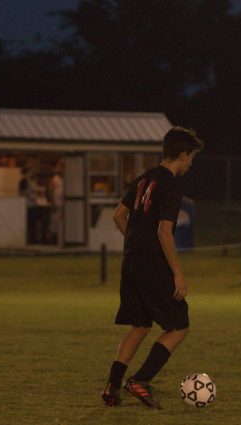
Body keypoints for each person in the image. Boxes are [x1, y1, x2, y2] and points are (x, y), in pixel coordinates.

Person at [101, 127, 203, 409]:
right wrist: (178, 274)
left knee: (141, 325)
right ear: (182, 155)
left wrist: (136, 243)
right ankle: (140, 380)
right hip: (151, 264)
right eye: (190, 158)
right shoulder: (171, 184)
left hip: (131, 261)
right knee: (179, 324)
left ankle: (112, 386)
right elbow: (164, 232)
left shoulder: (144, 178)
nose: (190, 164)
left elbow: (118, 215)